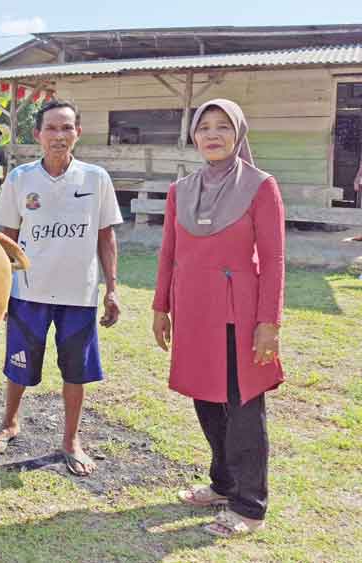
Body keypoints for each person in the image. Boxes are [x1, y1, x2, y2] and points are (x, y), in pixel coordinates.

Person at [151, 99, 284, 538]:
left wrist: (269, 323)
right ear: (194, 135)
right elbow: (168, 252)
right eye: (204, 126)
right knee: (206, 399)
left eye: (223, 126)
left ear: (238, 133)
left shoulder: (261, 187)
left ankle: (250, 505)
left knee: (243, 407)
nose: (212, 134)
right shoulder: (180, 190)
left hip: (237, 313)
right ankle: (224, 484)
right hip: (192, 309)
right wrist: (160, 307)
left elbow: (273, 259)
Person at [0, 99, 122, 477]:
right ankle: (9, 423)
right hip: (28, 292)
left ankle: (71, 441)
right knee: (18, 365)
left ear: (78, 133)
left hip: (79, 295)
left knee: (76, 371)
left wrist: (111, 288)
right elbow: (7, 239)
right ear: (37, 135)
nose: (59, 135)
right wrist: (1, 290)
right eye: (51, 128)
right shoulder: (20, 179)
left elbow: (106, 237)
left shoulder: (96, 179)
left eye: (67, 128)